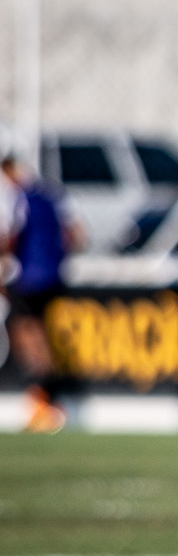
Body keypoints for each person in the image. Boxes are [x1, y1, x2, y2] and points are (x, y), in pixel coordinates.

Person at [2, 154, 79, 434]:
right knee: (38, 334)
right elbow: (76, 235)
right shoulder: (53, 195)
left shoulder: (17, 197)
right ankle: (44, 398)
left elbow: (9, 237)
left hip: (27, 278)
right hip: (53, 275)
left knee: (27, 335)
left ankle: (45, 399)